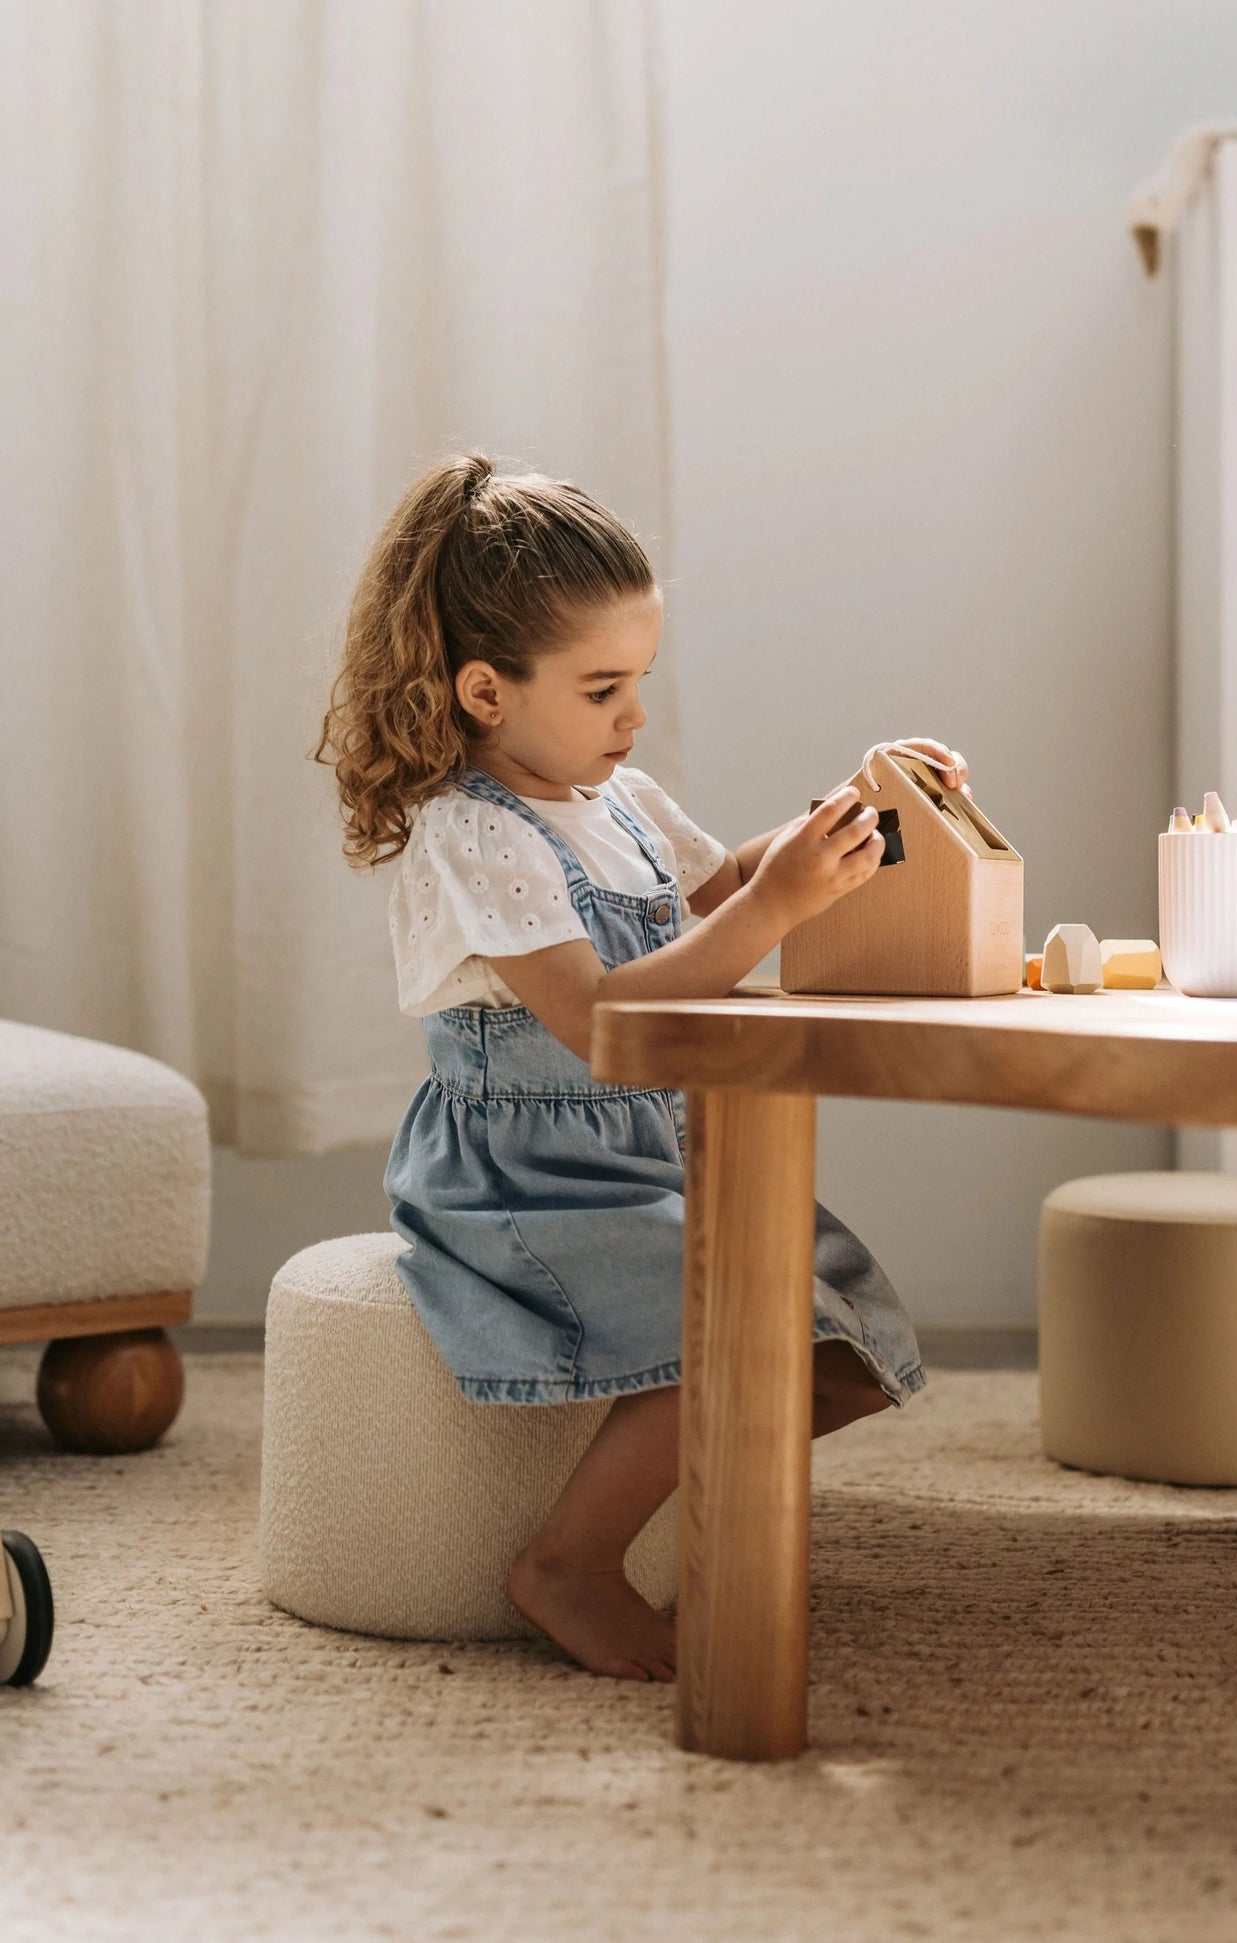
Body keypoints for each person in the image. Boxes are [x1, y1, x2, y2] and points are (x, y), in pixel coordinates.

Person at [314, 452, 967, 1683]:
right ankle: (567, 1559)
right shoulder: (469, 833)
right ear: (485, 691)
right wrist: (770, 911)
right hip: (527, 1174)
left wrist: (860, 805)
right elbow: (604, 1020)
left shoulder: (617, 800)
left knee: (840, 1336)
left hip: (647, 1145)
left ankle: (713, 1518)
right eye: (603, 687)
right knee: (731, 1312)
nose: (633, 717)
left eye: (640, 682)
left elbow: (715, 893)